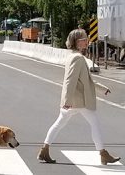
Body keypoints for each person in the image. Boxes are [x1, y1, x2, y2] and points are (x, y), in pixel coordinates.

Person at [37, 28, 120, 165]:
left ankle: (44, 150)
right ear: (76, 42)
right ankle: (103, 154)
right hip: (80, 101)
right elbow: (70, 80)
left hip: (73, 101)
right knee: (95, 125)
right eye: (83, 40)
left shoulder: (74, 56)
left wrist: (101, 88)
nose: (86, 41)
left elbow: (86, 79)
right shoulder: (77, 58)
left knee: (59, 124)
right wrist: (67, 100)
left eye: (86, 39)